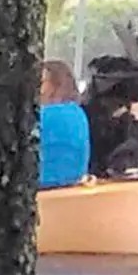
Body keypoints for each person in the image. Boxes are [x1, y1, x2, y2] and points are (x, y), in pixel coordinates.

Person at [39, 58, 89, 189]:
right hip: (73, 185)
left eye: (41, 82)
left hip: (43, 186)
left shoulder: (44, 114)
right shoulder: (78, 113)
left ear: (55, 85)